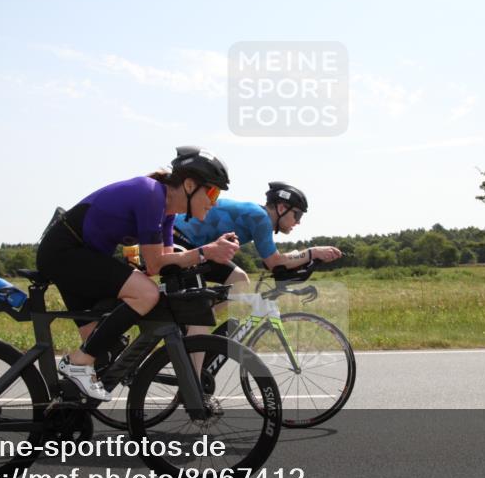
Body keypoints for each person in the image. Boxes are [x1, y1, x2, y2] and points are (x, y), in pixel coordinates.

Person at [36, 146, 239, 401]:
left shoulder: (167, 213)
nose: (214, 200)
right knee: (145, 294)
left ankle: (62, 412)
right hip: (65, 252)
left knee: (104, 353)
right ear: (189, 185)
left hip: (81, 256)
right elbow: (156, 264)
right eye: (212, 190)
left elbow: (161, 265)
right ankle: (77, 362)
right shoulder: (151, 194)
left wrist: (205, 254)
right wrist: (205, 252)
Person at [173, 181, 343, 295]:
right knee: (199, 315)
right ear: (282, 207)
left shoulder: (259, 217)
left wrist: (304, 256)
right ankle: (192, 336)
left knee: (239, 280)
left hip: (194, 244)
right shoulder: (260, 218)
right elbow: (274, 262)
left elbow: (274, 261)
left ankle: (193, 332)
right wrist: (313, 253)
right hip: (180, 239)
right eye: (297, 215)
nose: (298, 222)